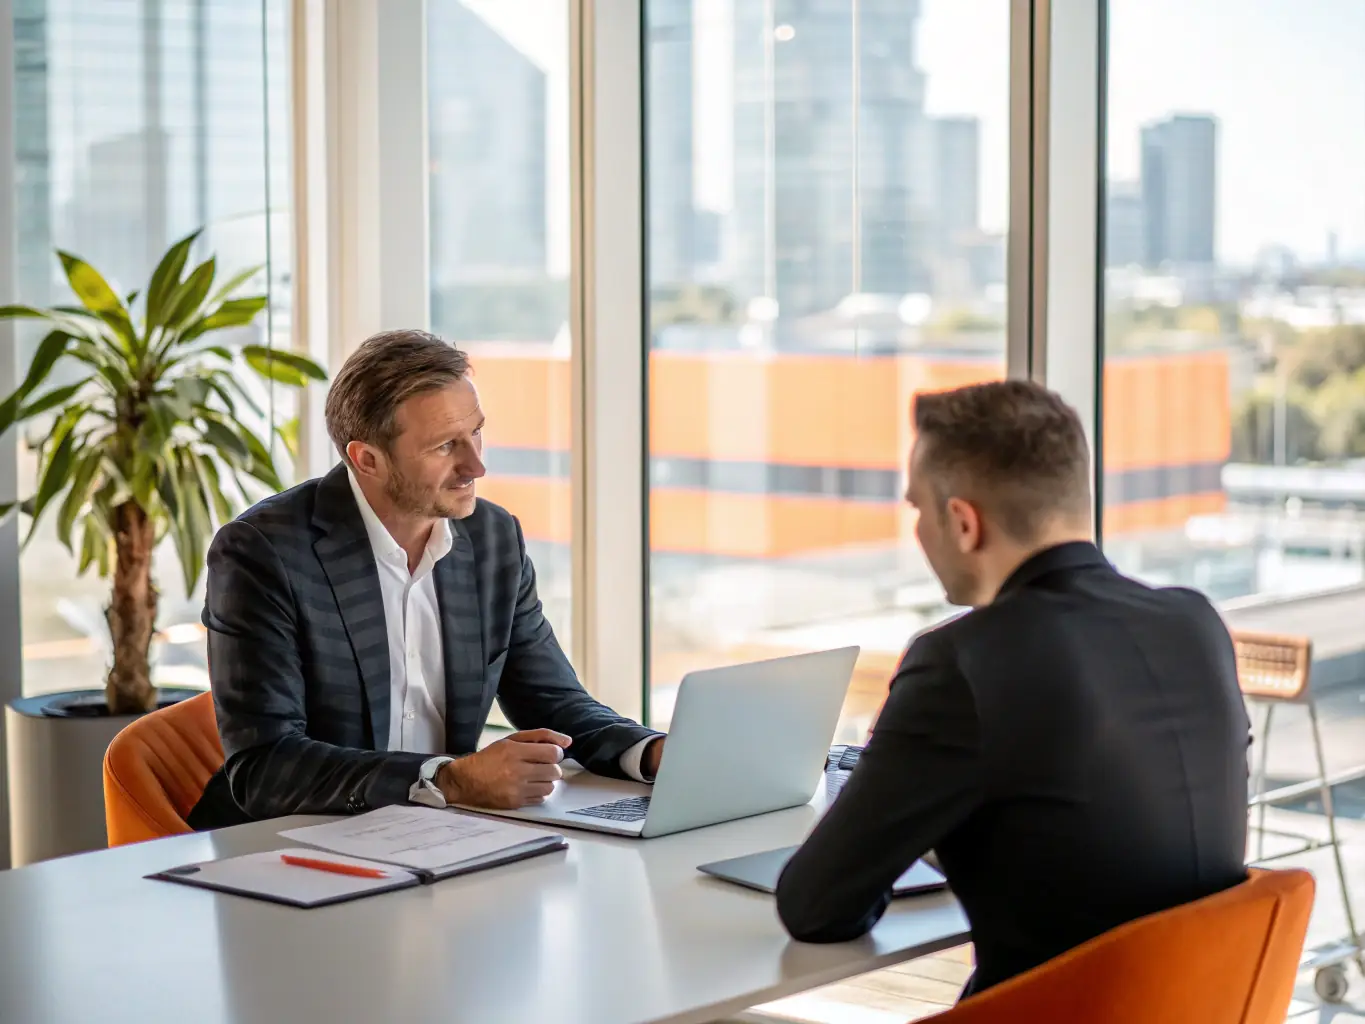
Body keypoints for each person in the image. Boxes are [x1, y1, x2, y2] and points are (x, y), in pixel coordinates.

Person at [775, 380, 1249, 997]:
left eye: (917, 507)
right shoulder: (1195, 624)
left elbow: (816, 907)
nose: (917, 529)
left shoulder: (962, 663)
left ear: (964, 523)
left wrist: (904, 831)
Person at [191, 329, 664, 826]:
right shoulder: (263, 552)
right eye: (444, 447)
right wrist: (448, 779)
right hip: (288, 847)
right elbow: (266, 767)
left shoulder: (492, 539)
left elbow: (554, 702)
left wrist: (653, 753)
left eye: (477, 432)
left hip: (437, 838)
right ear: (366, 459)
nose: (476, 465)